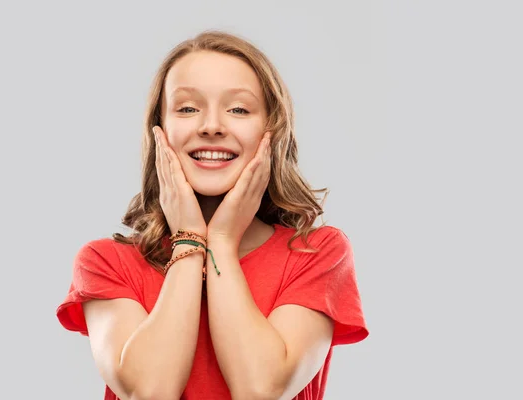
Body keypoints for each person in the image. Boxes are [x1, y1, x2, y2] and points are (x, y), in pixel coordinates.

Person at [56, 29, 369, 400]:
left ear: (271, 130)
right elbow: (150, 393)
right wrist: (190, 236)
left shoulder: (317, 253)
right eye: (188, 108)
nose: (211, 126)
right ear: (160, 131)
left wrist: (219, 242)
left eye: (238, 109)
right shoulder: (106, 263)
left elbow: (261, 391)